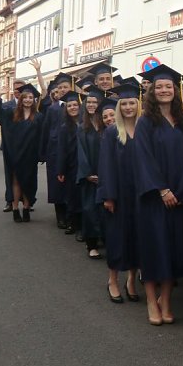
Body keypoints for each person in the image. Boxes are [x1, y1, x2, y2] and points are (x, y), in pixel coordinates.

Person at [133, 64, 183, 325]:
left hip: (178, 200)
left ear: (175, 90)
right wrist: (162, 189)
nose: (164, 90)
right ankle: (152, 300)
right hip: (154, 199)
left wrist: (180, 191)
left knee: (173, 250)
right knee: (153, 249)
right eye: (159, 86)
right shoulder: (145, 122)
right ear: (151, 90)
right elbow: (143, 159)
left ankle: (167, 301)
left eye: (168, 86)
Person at [97, 84, 142, 304]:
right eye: (123, 103)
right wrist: (108, 195)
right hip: (119, 194)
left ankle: (131, 280)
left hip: (141, 195)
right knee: (117, 238)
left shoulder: (145, 130)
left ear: (138, 104)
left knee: (137, 239)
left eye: (132, 102)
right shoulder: (112, 132)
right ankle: (113, 280)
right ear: (118, 107)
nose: (128, 107)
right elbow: (105, 166)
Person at [0, 83, 45, 222]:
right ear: (21, 99)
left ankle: (26, 208)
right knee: (16, 182)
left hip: (30, 155)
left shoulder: (38, 117)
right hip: (15, 154)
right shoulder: (12, 113)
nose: (27, 100)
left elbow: (42, 137)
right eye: (25, 97)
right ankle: (15, 209)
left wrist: (41, 153)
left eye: (30, 97)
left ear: (34, 100)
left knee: (28, 182)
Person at [40, 73, 74, 229]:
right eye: (60, 87)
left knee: (71, 184)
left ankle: (71, 216)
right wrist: (43, 152)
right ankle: (60, 216)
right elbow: (45, 130)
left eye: (66, 87)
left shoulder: (76, 106)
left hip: (72, 152)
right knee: (56, 185)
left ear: (71, 88)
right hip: (54, 151)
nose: (63, 90)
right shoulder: (53, 108)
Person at [77, 85, 105, 259]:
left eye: (95, 102)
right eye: (89, 102)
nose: (92, 105)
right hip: (90, 176)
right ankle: (91, 245)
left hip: (106, 175)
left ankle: (106, 239)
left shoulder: (107, 125)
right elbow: (80, 151)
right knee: (89, 210)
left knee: (105, 208)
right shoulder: (82, 127)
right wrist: (87, 173)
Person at [0, 78, 25, 212]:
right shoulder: (6, 106)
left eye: (20, 90)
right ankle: (10, 201)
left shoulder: (31, 105)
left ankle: (27, 201)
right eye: (16, 89)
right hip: (10, 147)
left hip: (27, 147)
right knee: (10, 175)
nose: (18, 92)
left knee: (27, 174)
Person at [56, 91, 83, 239]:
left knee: (82, 197)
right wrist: (61, 169)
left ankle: (81, 226)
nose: (73, 108)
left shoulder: (86, 124)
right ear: (66, 109)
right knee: (72, 196)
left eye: (75, 105)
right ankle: (75, 224)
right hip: (71, 166)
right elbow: (61, 150)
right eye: (70, 106)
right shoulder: (64, 127)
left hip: (84, 166)